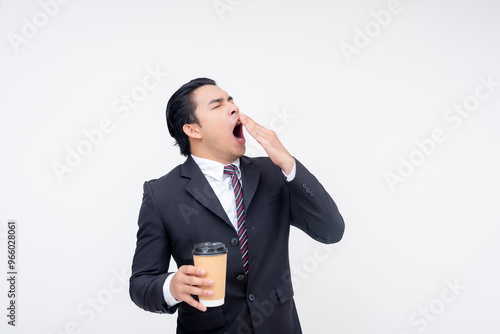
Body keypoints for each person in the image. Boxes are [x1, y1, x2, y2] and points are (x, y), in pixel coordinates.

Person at [129, 78, 345, 333]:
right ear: (193, 130)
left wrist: (288, 163)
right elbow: (141, 284)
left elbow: (331, 231)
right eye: (217, 105)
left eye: (231, 100)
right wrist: (171, 287)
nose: (233, 107)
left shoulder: (273, 172)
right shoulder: (161, 194)